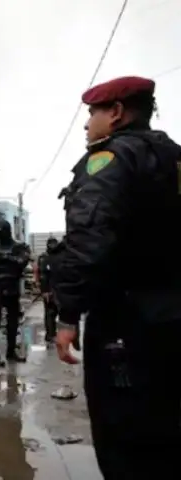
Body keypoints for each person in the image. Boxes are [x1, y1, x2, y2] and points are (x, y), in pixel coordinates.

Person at [51, 76, 181, 478]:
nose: (87, 123)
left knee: (123, 437)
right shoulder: (174, 157)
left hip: (127, 322)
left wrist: (67, 314)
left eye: (93, 112)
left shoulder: (109, 160)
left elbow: (90, 239)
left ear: (117, 113)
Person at [0, 218, 30, 366]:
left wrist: (7, 258)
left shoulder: (20, 247)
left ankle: (11, 351)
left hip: (12, 288)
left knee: (13, 323)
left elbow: (22, 261)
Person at [0, 369, 35, 479]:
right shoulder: (2, 466)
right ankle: (3, 383)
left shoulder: (0, 466)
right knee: (6, 401)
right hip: (9, 428)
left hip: (5, 428)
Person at [37, 237, 59, 344]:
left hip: (57, 289)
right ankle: (50, 335)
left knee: (54, 312)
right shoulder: (44, 258)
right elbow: (42, 275)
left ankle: (52, 334)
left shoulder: (57, 257)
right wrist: (44, 290)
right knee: (50, 312)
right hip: (49, 290)